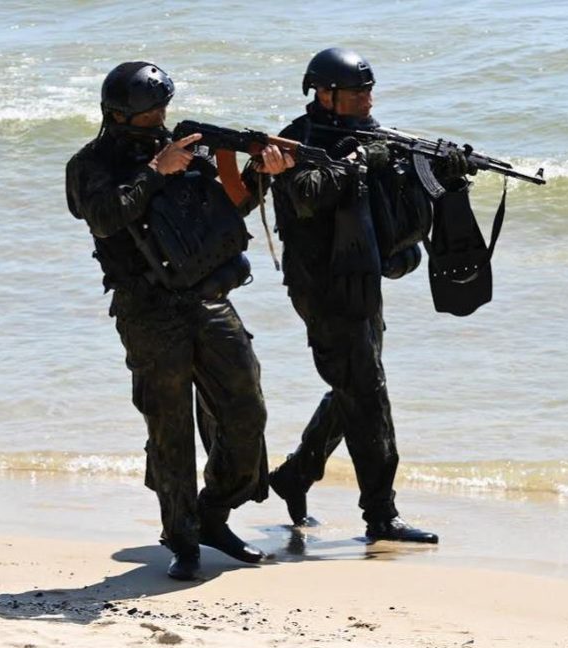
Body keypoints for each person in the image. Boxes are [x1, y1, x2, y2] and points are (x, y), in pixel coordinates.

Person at [65, 61, 294, 580]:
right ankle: (183, 537)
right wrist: (155, 171)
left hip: (207, 299)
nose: (161, 119)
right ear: (118, 114)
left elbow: (229, 208)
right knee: (169, 430)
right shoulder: (90, 163)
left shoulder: (188, 148)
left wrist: (263, 173)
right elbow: (104, 218)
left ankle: (213, 512)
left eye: (163, 109)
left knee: (246, 411)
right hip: (146, 310)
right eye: (151, 113)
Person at [266, 47, 475, 543]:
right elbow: (308, 194)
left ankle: (296, 474)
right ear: (324, 94)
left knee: (357, 385)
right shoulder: (292, 143)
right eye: (357, 92)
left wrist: (442, 172)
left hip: (361, 279)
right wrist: (360, 161)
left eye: (369, 90)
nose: (368, 99)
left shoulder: (367, 134)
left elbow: (396, 195)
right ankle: (380, 515)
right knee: (367, 393)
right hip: (322, 288)